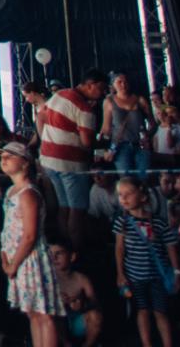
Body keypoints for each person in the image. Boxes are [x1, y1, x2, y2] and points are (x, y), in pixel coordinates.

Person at [0, 142, 59, 347]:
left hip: (30, 258)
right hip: (18, 259)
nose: (3, 159)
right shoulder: (11, 192)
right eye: (2, 156)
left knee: (43, 314)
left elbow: (30, 235)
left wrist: (13, 264)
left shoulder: (29, 194)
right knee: (32, 312)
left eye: (10, 156)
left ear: (25, 163)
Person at [113, 174, 180, 347]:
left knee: (160, 311)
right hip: (135, 277)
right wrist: (120, 274)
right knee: (142, 310)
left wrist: (176, 272)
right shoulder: (122, 222)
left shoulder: (159, 222)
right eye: (121, 195)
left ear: (143, 196)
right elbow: (119, 249)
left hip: (157, 276)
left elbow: (171, 247)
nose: (124, 198)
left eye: (128, 193)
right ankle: (147, 344)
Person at [40, 70, 108, 246]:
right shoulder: (85, 110)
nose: (103, 93)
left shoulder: (59, 94)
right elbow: (87, 143)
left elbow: (40, 117)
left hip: (48, 160)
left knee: (64, 206)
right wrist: (105, 144)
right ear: (90, 84)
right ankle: (78, 250)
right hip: (71, 165)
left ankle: (65, 247)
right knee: (77, 209)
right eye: (101, 88)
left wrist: (46, 140)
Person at [49, 240, 101, 347]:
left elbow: (95, 303)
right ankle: (66, 344)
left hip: (78, 322)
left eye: (59, 253)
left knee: (95, 316)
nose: (54, 258)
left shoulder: (82, 279)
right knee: (51, 317)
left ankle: (88, 344)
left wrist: (82, 304)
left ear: (72, 257)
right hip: (59, 326)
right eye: (51, 254)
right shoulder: (49, 280)